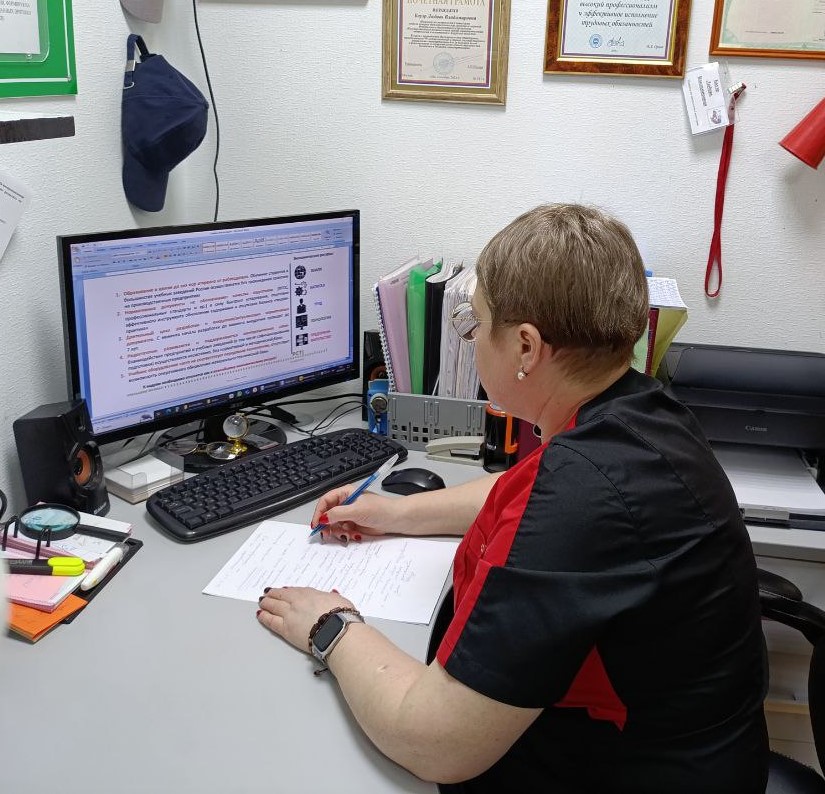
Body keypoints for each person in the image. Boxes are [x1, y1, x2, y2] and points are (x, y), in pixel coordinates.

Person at [257, 204, 768, 793]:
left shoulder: (580, 498)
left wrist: (332, 627)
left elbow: (435, 743)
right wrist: (396, 513)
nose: (472, 341)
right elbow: (520, 487)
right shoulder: (640, 411)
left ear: (526, 347)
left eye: (474, 325)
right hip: (699, 749)